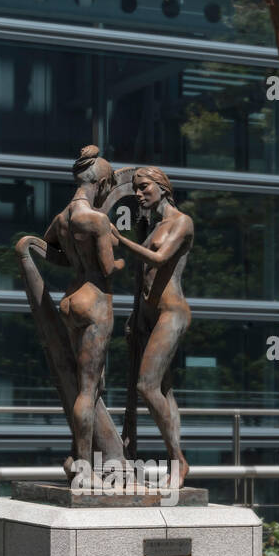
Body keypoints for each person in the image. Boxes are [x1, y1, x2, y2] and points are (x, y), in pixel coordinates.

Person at [38, 145, 124, 484]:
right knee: (88, 389)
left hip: (70, 300)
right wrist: (120, 255)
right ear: (102, 183)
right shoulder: (97, 219)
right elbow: (107, 268)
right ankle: (85, 466)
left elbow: (49, 249)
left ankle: (78, 454)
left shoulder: (62, 218)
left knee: (81, 385)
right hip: (94, 300)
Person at [108, 166, 193, 488]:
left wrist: (120, 240)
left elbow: (158, 261)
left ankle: (178, 459)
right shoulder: (154, 226)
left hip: (171, 312)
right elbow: (143, 280)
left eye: (144, 188)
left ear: (162, 187)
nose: (139, 194)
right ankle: (176, 462)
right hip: (149, 316)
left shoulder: (181, 222)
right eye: (136, 188)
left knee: (146, 386)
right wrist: (136, 316)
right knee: (163, 390)